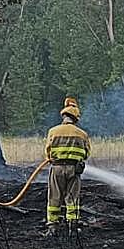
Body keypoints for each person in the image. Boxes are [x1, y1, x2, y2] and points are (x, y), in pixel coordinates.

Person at [44, 97, 92, 238]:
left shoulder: (53, 131)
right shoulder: (82, 134)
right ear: (75, 118)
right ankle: (72, 226)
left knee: (54, 198)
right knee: (73, 198)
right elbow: (87, 153)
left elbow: (48, 151)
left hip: (57, 168)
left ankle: (52, 227)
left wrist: (51, 158)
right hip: (74, 170)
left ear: (64, 116)